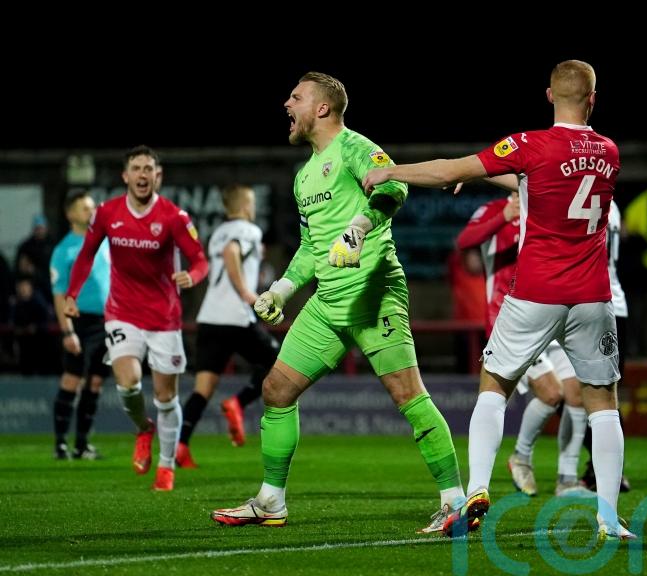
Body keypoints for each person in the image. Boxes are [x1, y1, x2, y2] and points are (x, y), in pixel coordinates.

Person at [363, 60, 634, 540]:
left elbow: (455, 168)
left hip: (536, 291)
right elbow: (543, 182)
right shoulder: (610, 152)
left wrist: (390, 172)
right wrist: (495, 175)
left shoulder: (530, 144)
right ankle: (610, 517)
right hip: (593, 297)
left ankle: (479, 490)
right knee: (603, 402)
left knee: (494, 385)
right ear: (593, 99)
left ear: (549, 96)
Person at [211, 72, 467, 533]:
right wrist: (282, 290)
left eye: (296, 97)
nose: (287, 104)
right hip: (327, 304)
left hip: (374, 294)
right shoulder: (304, 176)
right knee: (276, 391)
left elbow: (394, 188)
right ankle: (270, 500)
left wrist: (360, 227)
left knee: (409, 396)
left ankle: (454, 501)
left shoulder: (355, 147)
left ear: (322, 108)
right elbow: (311, 246)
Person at [65, 145, 208, 491]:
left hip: (163, 319)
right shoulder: (107, 213)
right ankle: (144, 429)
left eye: (149, 169)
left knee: (165, 397)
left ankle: (166, 465)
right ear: (125, 175)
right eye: (137, 168)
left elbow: (200, 259)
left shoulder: (175, 217)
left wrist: (193, 276)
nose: (143, 174)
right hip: (122, 313)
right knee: (127, 384)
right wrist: (72, 294)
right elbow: (86, 255)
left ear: (158, 176)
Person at [456, 187, 591, 499]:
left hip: (551, 316)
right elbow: (465, 241)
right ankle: (521, 456)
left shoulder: (550, 209)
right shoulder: (494, 209)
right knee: (551, 392)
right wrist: (504, 216)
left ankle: (567, 479)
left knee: (576, 393)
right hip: (510, 322)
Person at [176, 184, 280, 468]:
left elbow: (225, 251)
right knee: (276, 361)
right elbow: (232, 252)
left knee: (203, 389)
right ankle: (238, 402)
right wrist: (247, 293)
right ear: (246, 206)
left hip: (209, 318)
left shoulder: (217, 233)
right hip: (236, 317)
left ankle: (181, 446)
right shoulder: (249, 231)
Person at [49, 190, 111, 460]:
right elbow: (59, 294)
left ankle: (82, 445)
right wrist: (67, 331)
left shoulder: (105, 242)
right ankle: (61, 444)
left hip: (106, 321)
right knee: (72, 380)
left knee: (95, 382)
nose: (90, 212)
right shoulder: (64, 250)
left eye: (91, 207)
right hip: (78, 321)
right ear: (70, 214)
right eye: (84, 208)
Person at [580, 200, 631, 492]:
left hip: (590, 301)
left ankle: (590, 468)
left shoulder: (584, 191)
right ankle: (603, 470)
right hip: (615, 304)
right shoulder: (614, 205)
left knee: (577, 394)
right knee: (607, 396)